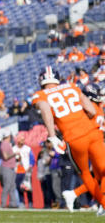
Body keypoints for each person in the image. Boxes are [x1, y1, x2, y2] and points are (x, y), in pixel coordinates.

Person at [31, 67, 105, 214]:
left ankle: (103, 203)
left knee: (85, 173)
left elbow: (45, 108)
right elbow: (90, 110)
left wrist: (52, 135)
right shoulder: (72, 86)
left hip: (74, 137)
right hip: (93, 132)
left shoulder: (40, 95)